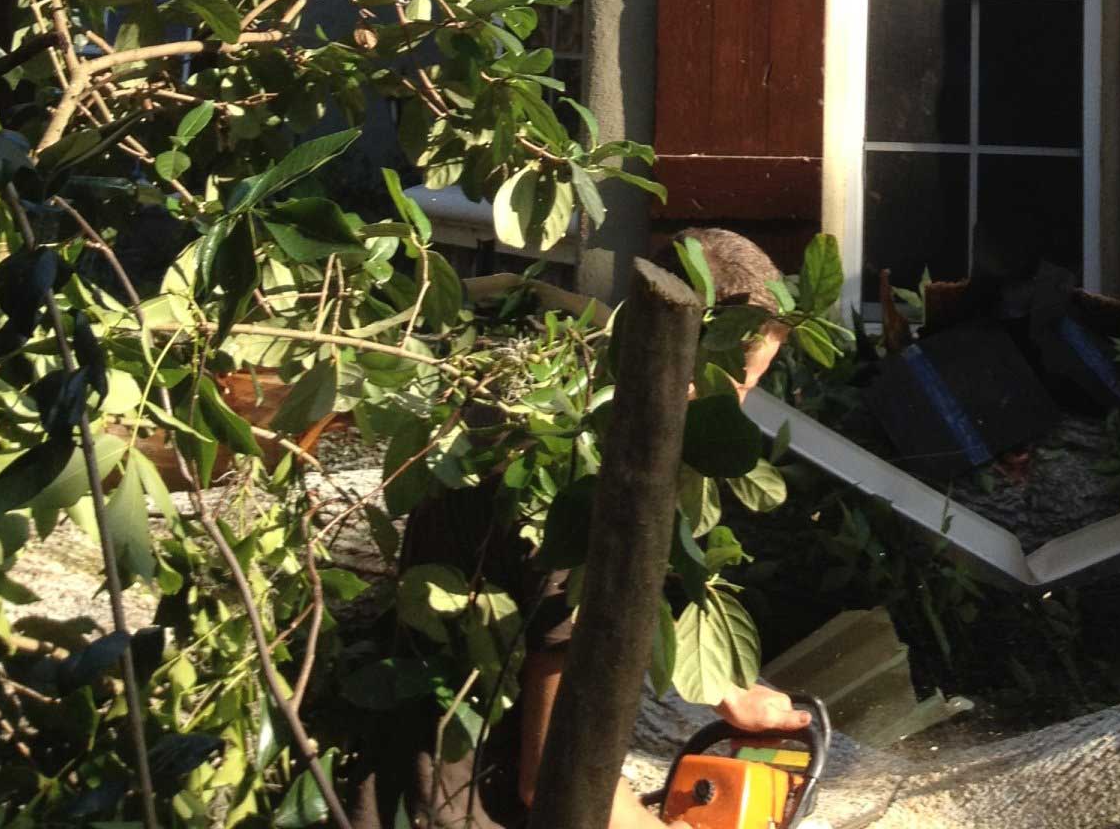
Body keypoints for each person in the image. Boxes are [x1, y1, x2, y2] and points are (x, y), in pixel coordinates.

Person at [345, 227, 809, 829]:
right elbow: (558, 785)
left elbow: (619, 611)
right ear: (693, 366)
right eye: (743, 384)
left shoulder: (562, 414)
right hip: (458, 809)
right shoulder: (578, 501)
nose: (741, 408)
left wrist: (722, 684)